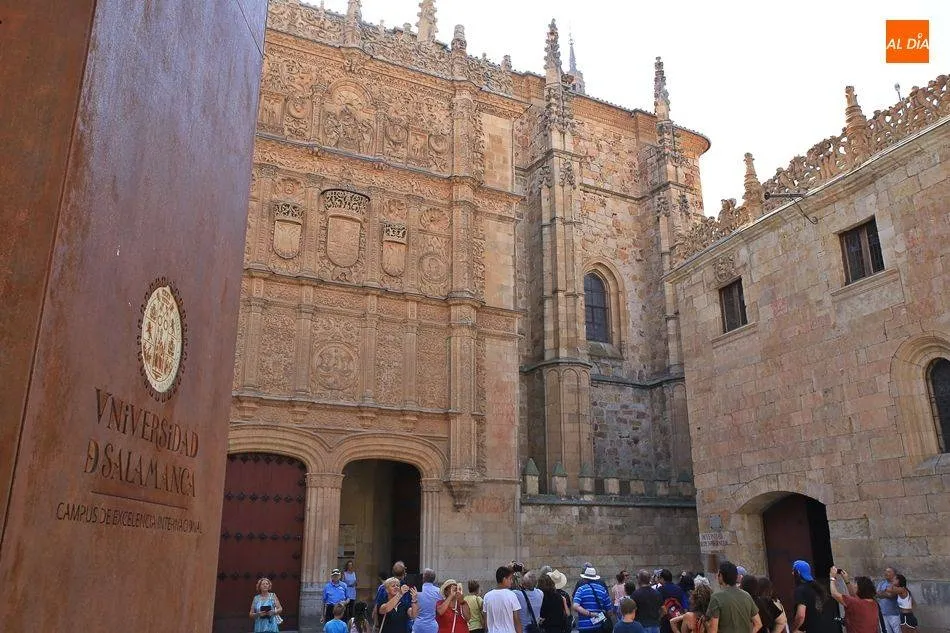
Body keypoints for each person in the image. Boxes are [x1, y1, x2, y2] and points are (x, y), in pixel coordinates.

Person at [705, 561, 761, 633]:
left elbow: (713, 631)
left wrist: (705, 624)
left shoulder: (716, 597)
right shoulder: (746, 595)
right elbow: (758, 624)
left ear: (721, 576)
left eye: (718, 573)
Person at [791, 560, 839, 633]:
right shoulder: (817, 588)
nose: (792, 573)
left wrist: (794, 629)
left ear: (798, 573)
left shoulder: (800, 590)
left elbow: (800, 616)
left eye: (793, 571)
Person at [827, 567, 879, 633]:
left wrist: (832, 578)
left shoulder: (855, 603)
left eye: (855, 584)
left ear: (860, 589)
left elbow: (834, 594)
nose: (854, 586)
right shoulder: (873, 603)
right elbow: (854, 596)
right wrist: (846, 581)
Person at [573, 565, 614, 633]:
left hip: (584, 626)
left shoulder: (581, 589)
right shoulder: (602, 590)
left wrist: (590, 614)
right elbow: (610, 611)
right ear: (595, 578)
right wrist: (599, 615)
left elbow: (575, 606)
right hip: (599, 626)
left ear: (585, 578)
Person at [484, 565, 523, 633]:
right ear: (504, 579)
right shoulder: (512, 595)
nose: (512, 581)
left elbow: (486, 621)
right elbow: (516, 619)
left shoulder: (487, 596)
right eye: (510, 579)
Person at [414, 569, 443, 633]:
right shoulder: (439, 591)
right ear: (434, 579)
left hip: (418, 625)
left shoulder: (416, 590)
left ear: (423, 578)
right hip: (432, 626)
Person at [876, 567, 901, 633]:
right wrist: (886, 593)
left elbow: (891, 595)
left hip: (894, 614)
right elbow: (877, 595)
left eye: (889, 572)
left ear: (894, 574)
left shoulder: (897, 584)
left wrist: (882, 593)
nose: (886, 573)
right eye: (886, 571)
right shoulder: (881, 583)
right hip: (883, 613)